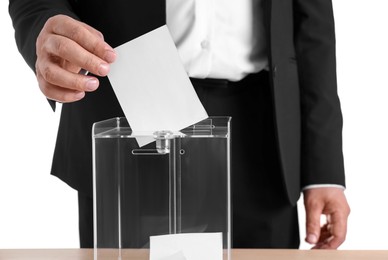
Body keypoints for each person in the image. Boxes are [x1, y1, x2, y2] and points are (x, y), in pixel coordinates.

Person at [9, 0, 350, 249]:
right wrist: (46, 29)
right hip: (126, 114)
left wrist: (324, 169)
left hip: (264, 135)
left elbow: (313, 29)